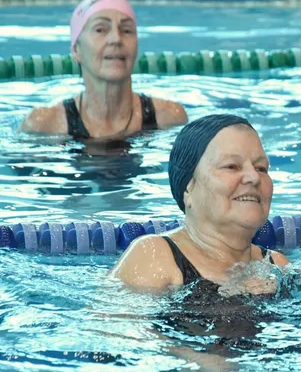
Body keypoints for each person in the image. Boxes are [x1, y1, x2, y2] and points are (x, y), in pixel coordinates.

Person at [109, 114, 289, 294]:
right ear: (188, 188)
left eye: (261, 168)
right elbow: (114, 320)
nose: (254, 177)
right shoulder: (153, 257)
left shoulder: (279, 266)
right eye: (231, 166)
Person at [20, 0, 187, 140]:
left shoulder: (169, 118)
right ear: (76, 49)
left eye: (127, 30)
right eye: (100, 30)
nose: (116, 38)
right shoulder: (44, 125)